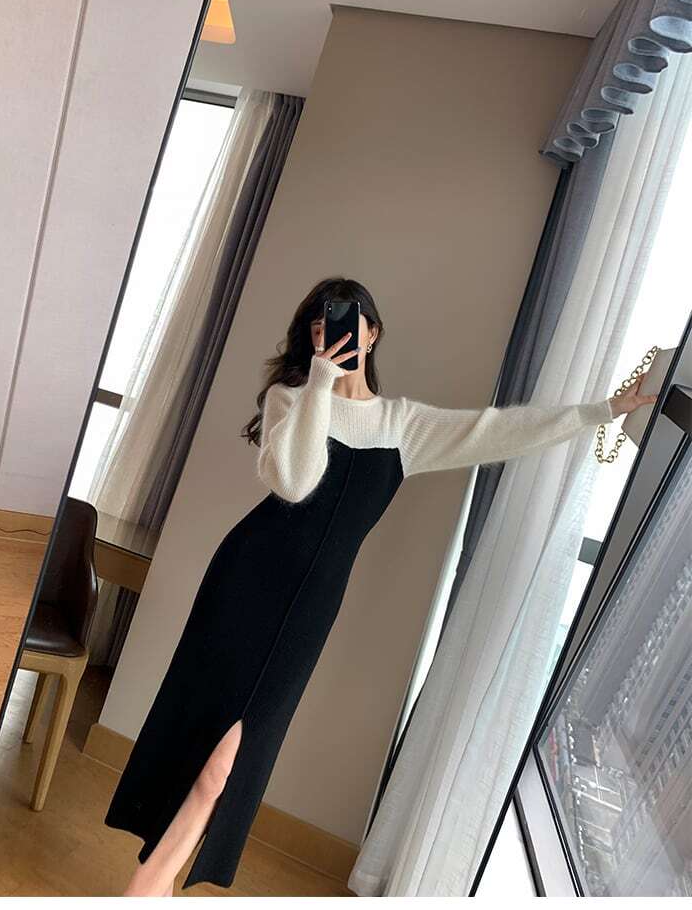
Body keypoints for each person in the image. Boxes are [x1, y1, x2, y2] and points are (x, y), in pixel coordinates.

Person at [104, 276, 655, 896]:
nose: (330, 335)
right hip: (244, 583)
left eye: (344, 322)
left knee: (232, 764)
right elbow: (295, 483)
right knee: (198, 736)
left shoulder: (402, 425)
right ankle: (146, 889)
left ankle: (149, 886)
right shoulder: (290, 398)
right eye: (318, 326)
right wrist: (318, 385)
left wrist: (604, 411)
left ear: (372, 333)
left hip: (310, 607)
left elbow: (500, 432)